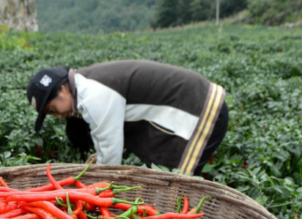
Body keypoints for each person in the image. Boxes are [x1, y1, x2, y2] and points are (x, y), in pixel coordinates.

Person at [26, 61, 228, 175]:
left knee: (175, 184)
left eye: (53, 109)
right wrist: (100, 158)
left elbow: (111, 161)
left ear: (63, 89)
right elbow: (107, 138)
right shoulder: (86, 85)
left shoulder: (93, 95)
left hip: (201, 110)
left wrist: (94, 189)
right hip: (191, 108)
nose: (59, 116)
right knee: (168, 182)